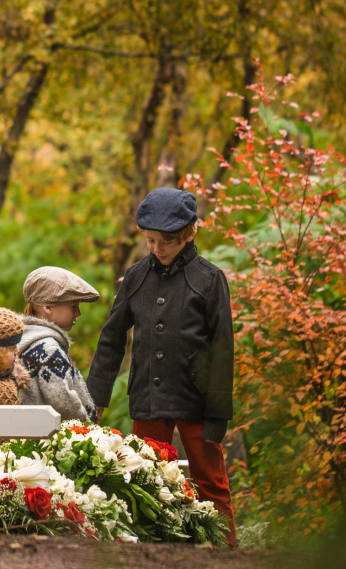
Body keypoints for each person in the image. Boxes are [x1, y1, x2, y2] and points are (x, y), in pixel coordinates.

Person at [86, 187, 236, 545]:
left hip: (198, 402)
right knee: (146, 482)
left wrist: (217, 415)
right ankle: (150, 554)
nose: (157, 248)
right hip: (148, 400)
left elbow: (222, 348)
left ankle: (227, 554)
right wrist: (96, 397)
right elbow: (111, 338)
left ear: (190, 233)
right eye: (151, 240)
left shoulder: (210, 280)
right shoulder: (136, 277)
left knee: (210, 483)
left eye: (166, 241)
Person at [17, 266, 100, 422]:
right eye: (73, 307)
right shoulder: (48, 348)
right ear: (48, 307)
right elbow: (63, 401)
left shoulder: (24, 340)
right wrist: (88, 429)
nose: (78, 313)